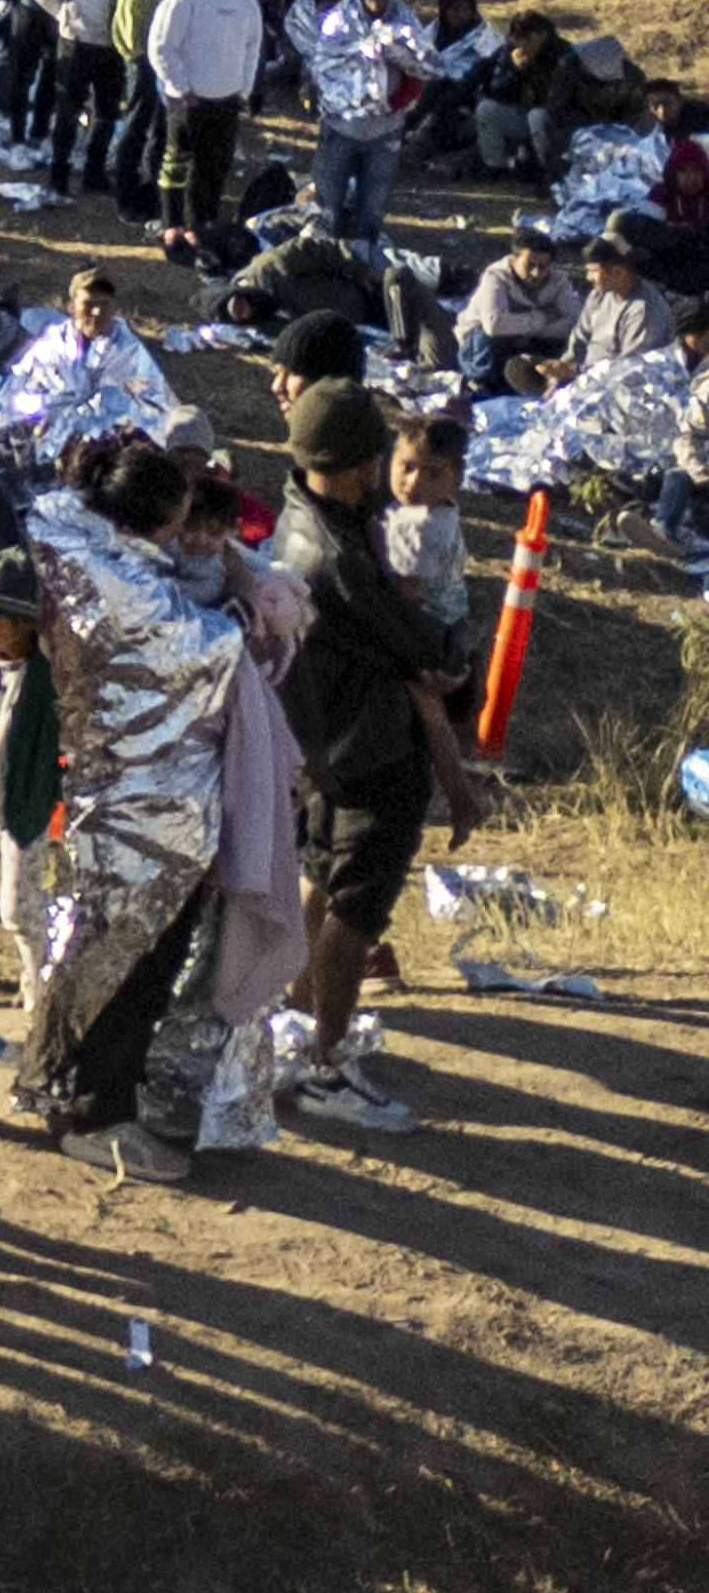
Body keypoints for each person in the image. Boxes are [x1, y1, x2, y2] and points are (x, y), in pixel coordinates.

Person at [270, 380, 489, 1133]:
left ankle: (294, 1026)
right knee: (355, 918)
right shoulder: (342, 557)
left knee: (318, 882)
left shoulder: (306, 514)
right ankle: (327, 1065)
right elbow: (422, 648)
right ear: (365, 461)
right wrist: (454, 669)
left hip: (320, 745)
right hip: (370, 747)